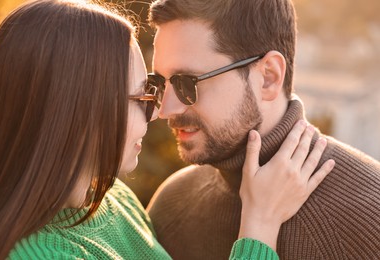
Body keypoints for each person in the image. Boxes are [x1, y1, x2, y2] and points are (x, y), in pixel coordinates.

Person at [0, 0, 334, 259]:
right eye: (144, 96)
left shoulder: (113, 199)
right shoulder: (37, 253)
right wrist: (260, 225)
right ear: (80, 110)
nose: (157, 114)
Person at [146, 0, 380, 259]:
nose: (165, 110)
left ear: (268, 77)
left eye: (186, 83)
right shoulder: (171, 207)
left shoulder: (371, 217)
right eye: (159, 82)